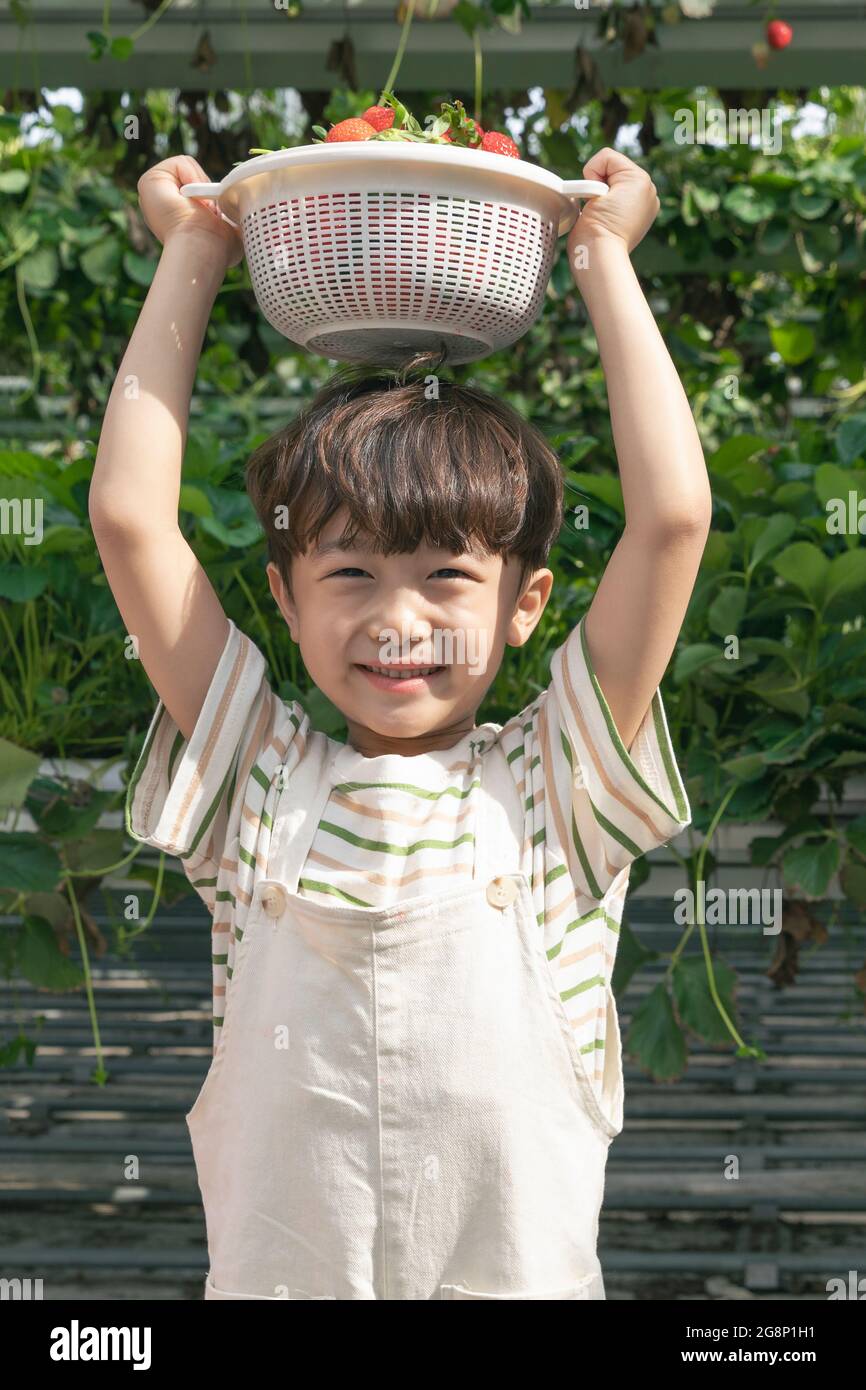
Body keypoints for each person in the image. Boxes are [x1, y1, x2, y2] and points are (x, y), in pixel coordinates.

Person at [89, 147, 710, 1301]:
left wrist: (599, 255)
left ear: (526, 603)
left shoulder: (554, 786)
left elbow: (670, 519)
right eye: (350, 573)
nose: (397, 620)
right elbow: (131, 522)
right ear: (281, 592)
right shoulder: (255, 777)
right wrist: (195, 249)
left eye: (444, 576)